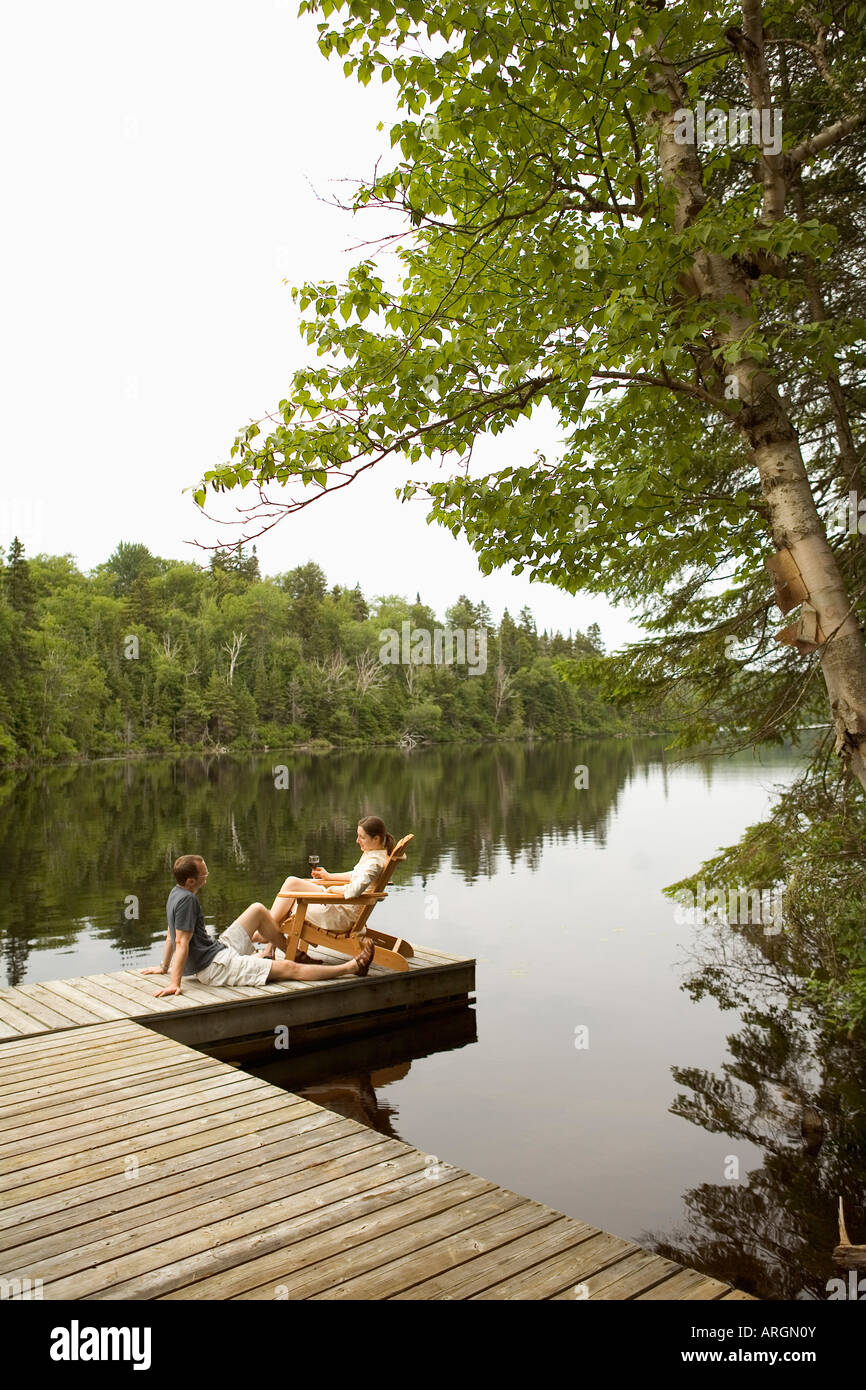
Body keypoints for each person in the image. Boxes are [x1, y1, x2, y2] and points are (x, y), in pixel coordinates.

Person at [141, 854, 373, 997]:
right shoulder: (187, 901)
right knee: (289, 970)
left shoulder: (175, 893)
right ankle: (352, 968)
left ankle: (293, 951)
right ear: (191, 880)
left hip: (217, 949)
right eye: (204, 874)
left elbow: (171, 935)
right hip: (214, 968)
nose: (207, 876)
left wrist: (164, 966)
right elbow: (180, 942)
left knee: (258, 910)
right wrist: (174, 982)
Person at [264, 815, 394, 962]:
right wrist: (329, 876)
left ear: (376, 839)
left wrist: (332, 890)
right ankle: (268, 943)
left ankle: (266, 933)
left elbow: (355, 890)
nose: (357, 841)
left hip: (341, 914)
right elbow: (355, 876)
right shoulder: (374, 855)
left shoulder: (374, 863)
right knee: (291, 884)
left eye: (361, 837)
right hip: (340, 905)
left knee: (289, 899)